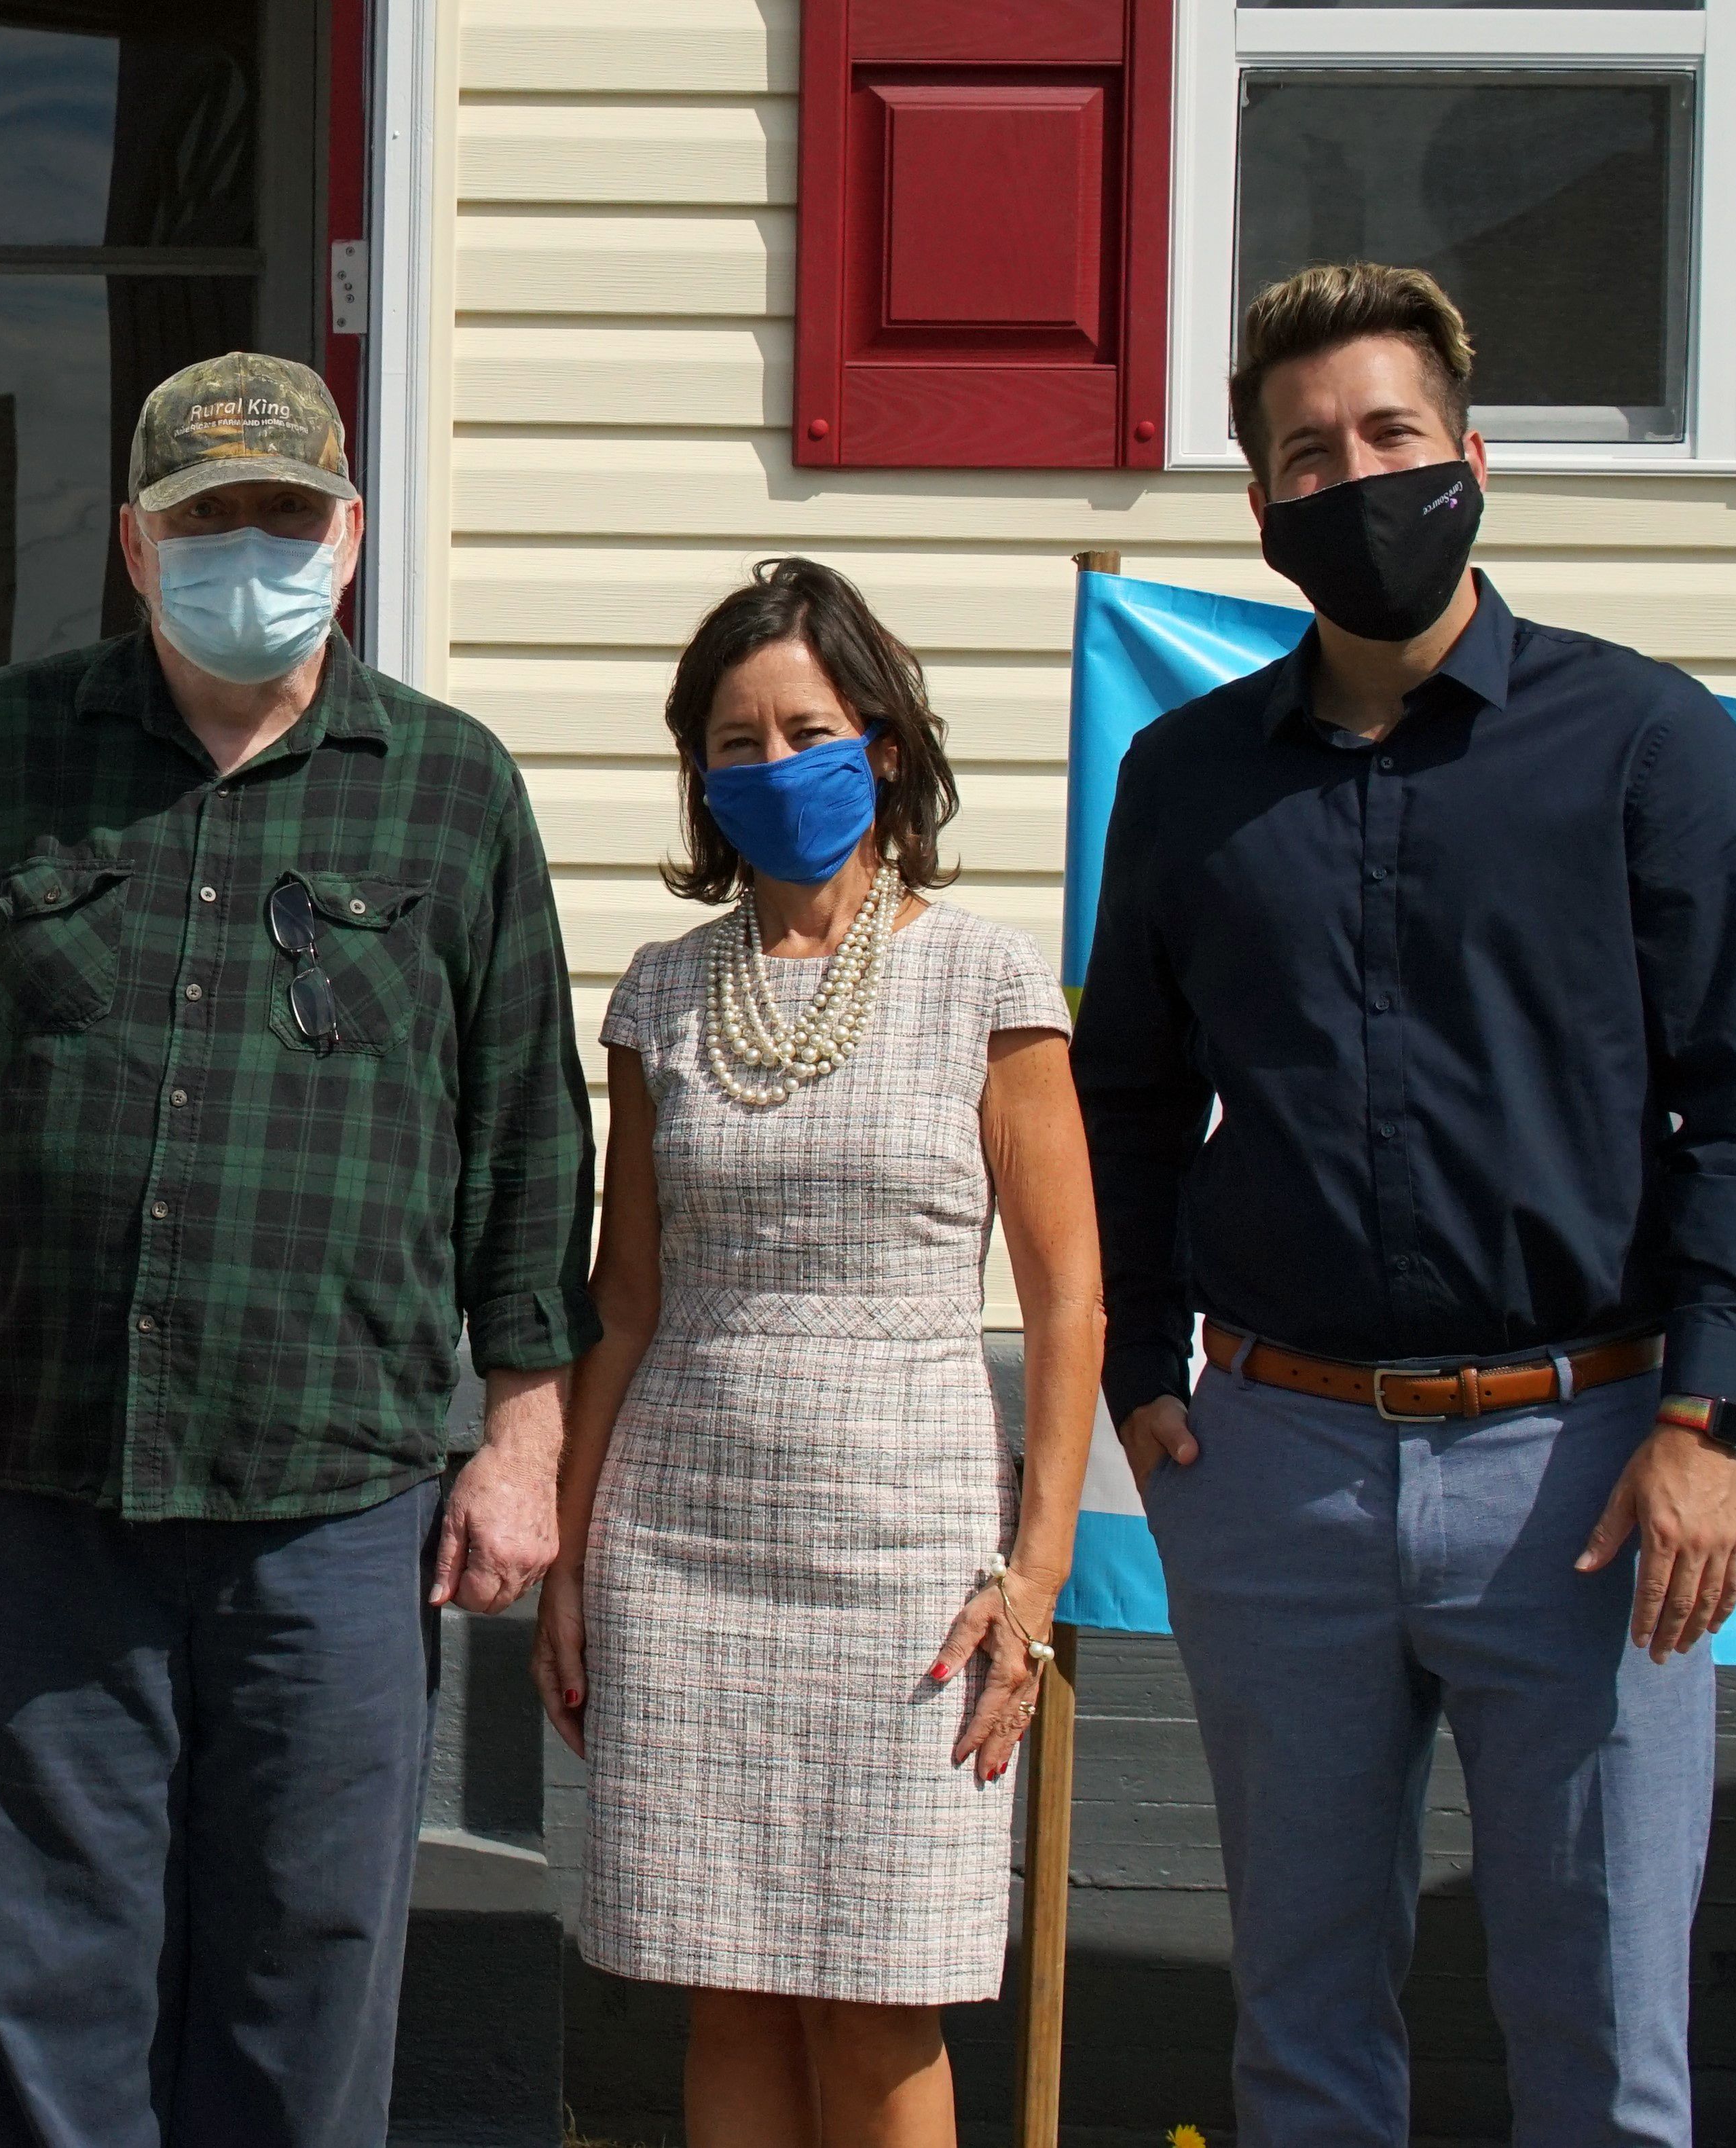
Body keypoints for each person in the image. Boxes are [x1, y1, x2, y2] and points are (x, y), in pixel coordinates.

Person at [1075, 262, 1736, 2143]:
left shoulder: (1645, 744)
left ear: (1472, 457)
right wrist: (1146, 1375)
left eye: (1391, 437)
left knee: (1599, 2040)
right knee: (1305, 2037)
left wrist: (1702, 1419)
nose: (1359, 477)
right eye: (1311, 453)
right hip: (1279, 1468)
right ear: (1261, 509)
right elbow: (1135, 1096)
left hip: (1583, 1472)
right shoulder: (1184, 779)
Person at [0, 352, 593, 2148]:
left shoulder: (452, 788)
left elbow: (529, 1131)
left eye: (281, 516)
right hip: (46, 1468)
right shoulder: (2, 749)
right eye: (202, 519)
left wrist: (526, 1430)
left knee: (307, 1957)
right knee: (50, 1958)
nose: (242, 549)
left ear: (347, 536)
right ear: (132, 539)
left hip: (340, 1492)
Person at [536, 560, 1097, 2145]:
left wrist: (1033, 1580)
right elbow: (626, 1291)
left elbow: (1067, 1300)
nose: (774, 765)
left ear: (885, 746)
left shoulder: (986, 977)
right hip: (682, 1539)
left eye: (806, 727)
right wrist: (571, 1557)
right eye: (735, 741)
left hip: (904, 1557)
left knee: (872, 1994)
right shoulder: (660, 995)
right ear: (701, 775)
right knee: (725, 1983)